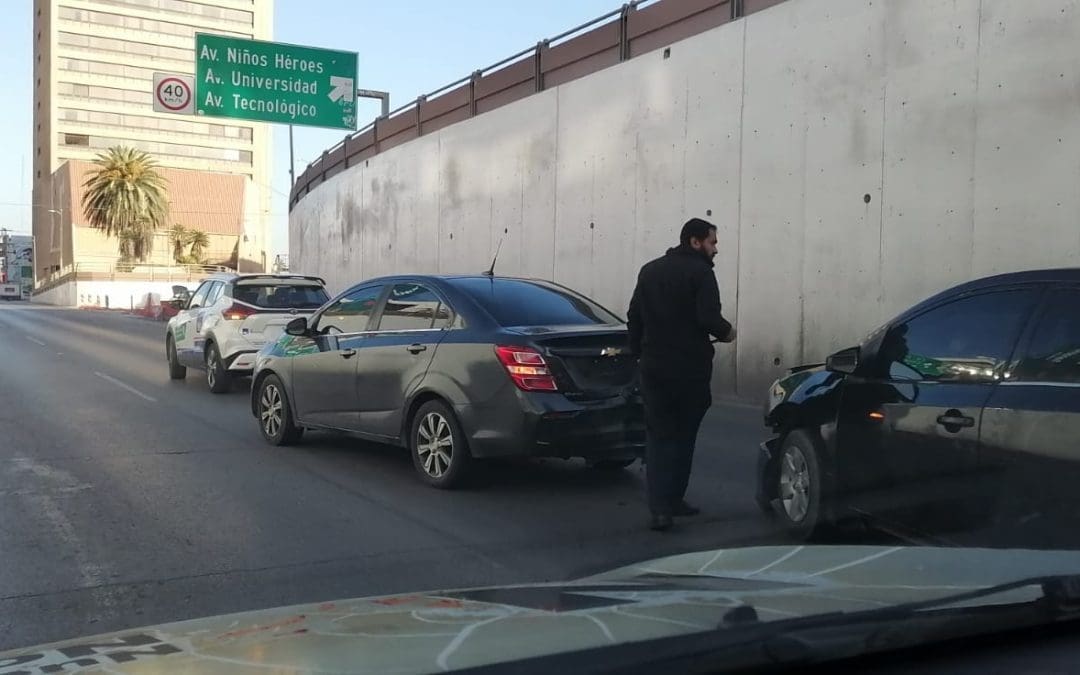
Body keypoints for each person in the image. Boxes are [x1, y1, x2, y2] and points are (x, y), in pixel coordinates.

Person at [627, 218, 737, 531]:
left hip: (655, 368)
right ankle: (674, 498)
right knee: (684, 435)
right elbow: (708, 318)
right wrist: (728, 332)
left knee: (659, 436)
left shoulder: (649, 271)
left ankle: (660, 508)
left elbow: (634, 316)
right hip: (690, 370)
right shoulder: (701, 273)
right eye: (712, 242)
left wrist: (637, 353)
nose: (716, 249)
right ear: (695, 242)